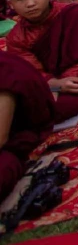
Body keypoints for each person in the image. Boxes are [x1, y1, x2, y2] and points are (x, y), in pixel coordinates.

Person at [0, 51, 56, 204]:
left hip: (7, 146)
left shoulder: (4, 71)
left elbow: (1, 137)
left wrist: (56, 82)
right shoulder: (17, 37)